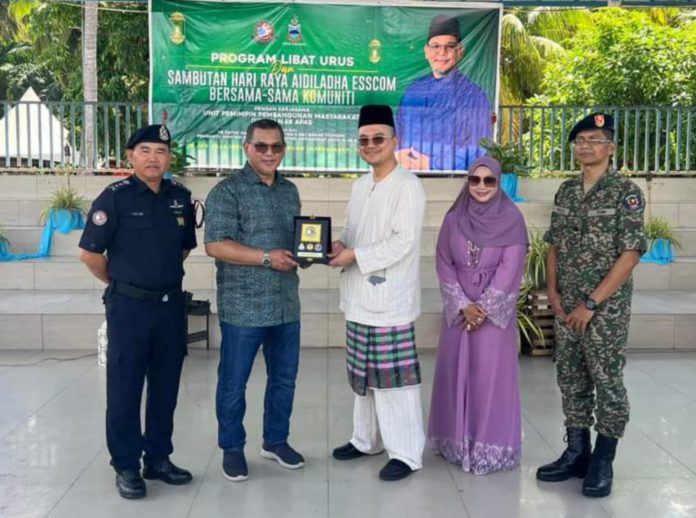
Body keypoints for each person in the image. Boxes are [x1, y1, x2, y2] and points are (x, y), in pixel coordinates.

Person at [78, 124, 196, 499]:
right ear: (131, 156)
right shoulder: (114, 198)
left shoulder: (179, 197)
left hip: (170, 307)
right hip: (129, 308)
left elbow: (183, 249)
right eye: (145, 151)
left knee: (166, 387)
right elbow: (89, 254)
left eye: (160, 151)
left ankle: (158, 458)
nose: (153, 158)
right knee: (125, 388)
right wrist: (123, 282)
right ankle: (126, 464)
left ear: (169, 157)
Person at [536, 113, 647, 497]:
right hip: (567, 305)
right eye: (580, 140)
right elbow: (554, 244)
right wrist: (552, 292)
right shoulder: (566, 190)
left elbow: (631, 254)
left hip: (604, 310)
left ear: (610, 147)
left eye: (594, 140)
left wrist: (591, 303)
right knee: (570, 377)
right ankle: (576, 451)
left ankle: (602, 460)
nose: (585, 146)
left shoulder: (625, 192)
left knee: (606, 380)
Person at [329, 105, 427, 481]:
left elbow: (404, 241)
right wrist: (341, 245)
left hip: (390, 300)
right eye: (364, 140)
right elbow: (352, 231)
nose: (371, 145)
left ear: (394, 141)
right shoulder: (360, 185)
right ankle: (365, 439)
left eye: (378, 139)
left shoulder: (407, 185)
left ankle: (406, 453)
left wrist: (356, 255)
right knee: (363, 375)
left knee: (393, 381)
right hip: (358, 297)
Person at [204, 119, 304, 482]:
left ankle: (275, 440)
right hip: (243, 307)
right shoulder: (227, 192)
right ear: (246, 148)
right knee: (234, 383)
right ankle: (232, 447)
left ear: (284, 149)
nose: (269, 153)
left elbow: (294, 241)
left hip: (285, 303)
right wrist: (266, 258)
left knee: (284, 379)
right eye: (261, 146)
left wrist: (306, 254)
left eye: (276, 146)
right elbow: (215, 245)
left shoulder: (290, 190)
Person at [428, 156, 528, 474]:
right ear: (467, 182)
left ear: (499, 184)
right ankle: (455, 443)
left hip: (492, 314)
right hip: (460, 310)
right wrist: (462, 304)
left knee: (489, 378)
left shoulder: (512, 219)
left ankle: (489, 446)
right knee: (454, 373)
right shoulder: (454, 218)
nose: (481, 186)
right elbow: (443, 260)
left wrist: (482, 307)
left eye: (489, 180)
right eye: (475, 180)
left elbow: (511, 266)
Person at [396, 14, 493, 171]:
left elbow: (479, 148)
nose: (442, 52)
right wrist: (397, 155)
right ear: (426, 52)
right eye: (436, 46)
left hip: (450, 179)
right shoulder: (413, 91)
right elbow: (397, 132)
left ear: (460, 51)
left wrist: (432, 164)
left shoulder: (474, 96)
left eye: (450, 46)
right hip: (408, 175)